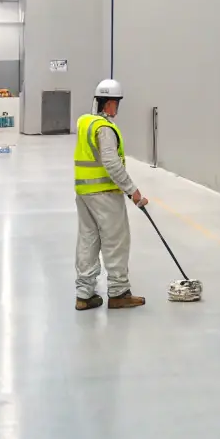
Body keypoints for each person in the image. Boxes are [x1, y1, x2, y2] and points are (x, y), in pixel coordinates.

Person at [73, 78, 148, 311]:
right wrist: (133, 192)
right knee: (116, 241)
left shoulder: (85, 122)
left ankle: (84, 294)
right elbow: (111, 163)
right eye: (116, 103)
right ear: (108, 104)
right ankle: (118, 292)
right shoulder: (104, 129)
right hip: (104, 193)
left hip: (84, 192)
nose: (117, 108)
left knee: (88, 240)